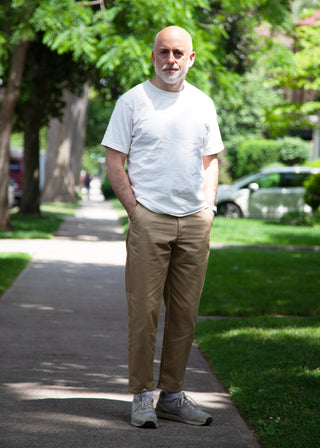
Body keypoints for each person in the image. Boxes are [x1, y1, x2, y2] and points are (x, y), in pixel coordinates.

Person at [101, 25, 224, 429]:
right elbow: (114, 160)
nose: (170, 59)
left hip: (194, 221)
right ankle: (141, 396)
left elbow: (210, 160)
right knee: (144, 312)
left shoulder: (203, 103)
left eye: (178, 53)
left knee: (185, 314)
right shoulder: (133, 101)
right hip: (149, 218)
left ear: (191, 59)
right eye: (163, 52)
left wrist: (208, 207)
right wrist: (135, 210)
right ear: (153, 55)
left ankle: (171, 395)